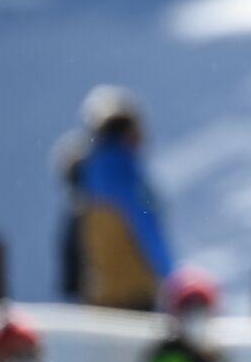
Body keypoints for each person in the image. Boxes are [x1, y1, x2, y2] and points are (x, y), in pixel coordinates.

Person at [64, 84, 175, 310]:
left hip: (100, 298)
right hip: (135, 295)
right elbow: (148, 226)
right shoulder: (126, 175)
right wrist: (172, 280)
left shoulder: (87, 178)